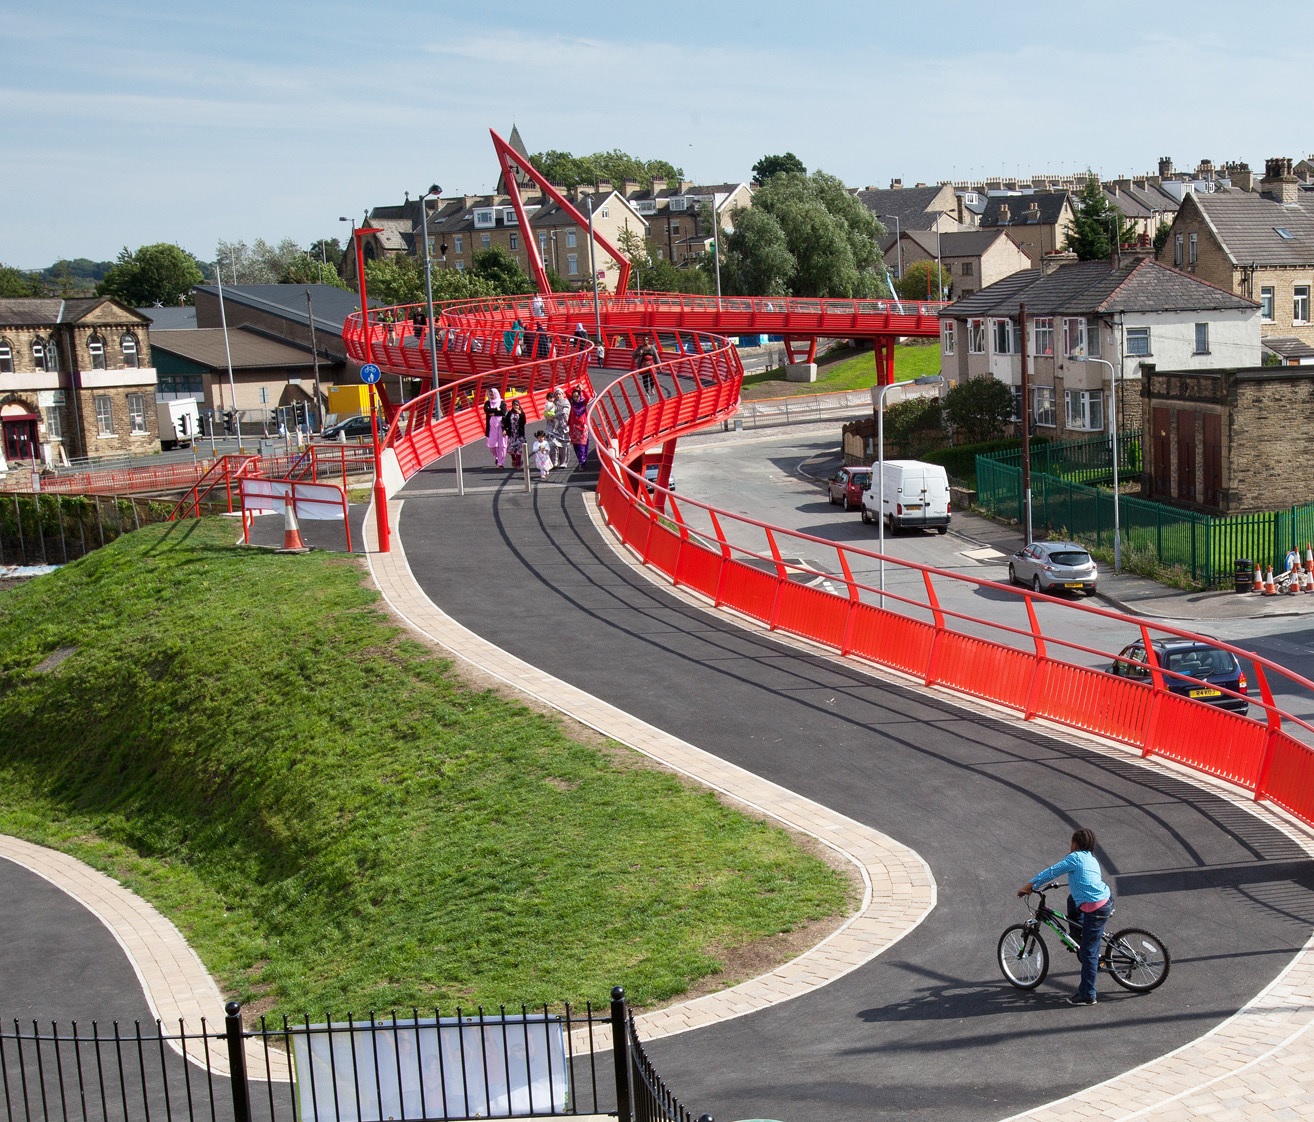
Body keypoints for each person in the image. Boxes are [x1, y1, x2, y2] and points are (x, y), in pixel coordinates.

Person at [1017, 827, 1112, 1006]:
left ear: (1075, 844)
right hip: (1105, 899)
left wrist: (1029, 886)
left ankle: (1087, 994)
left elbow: (1051, 871)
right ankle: (1077, 935)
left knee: (1089, 952)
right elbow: (1085, 879)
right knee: (1072, 900)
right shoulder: (1091, 858)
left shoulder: (1074, 858)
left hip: (1095, 908)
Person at [567, 384, 591, 467]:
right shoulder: (572, 402)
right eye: (574, 397)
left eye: (577, 396)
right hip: (573, 428)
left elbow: (588, 397)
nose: (575, 398)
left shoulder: (583, 402)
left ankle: (582, 462)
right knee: (576, 446)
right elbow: (567, 392)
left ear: (580, 396)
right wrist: (574, 387)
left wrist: (582, 389)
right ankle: (581, 459)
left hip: (582, 427)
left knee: (582, 445)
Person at [546, 387, 570, 468]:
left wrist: (555, 415)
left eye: (559, 394)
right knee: (553, 444)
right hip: (553, 427)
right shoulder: (552, 403)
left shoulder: (566, 402)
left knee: (563, 445)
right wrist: (548, 416)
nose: (558, 396)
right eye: (556, 394)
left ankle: (563, 462)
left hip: (563, 426)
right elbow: (546, 411)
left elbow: (564, 412)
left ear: (562, 394)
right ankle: (554, 462)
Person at [483, 387, 507, 467]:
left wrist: (494, 413)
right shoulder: (487, 403)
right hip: (491, 428)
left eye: (492, 394)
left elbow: (503, 412)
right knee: (492, 445)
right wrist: (497, 410)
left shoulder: (502, 402)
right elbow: (487, 410)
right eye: (490, 394)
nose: (491, 396)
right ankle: (496, 457)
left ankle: (501, 462)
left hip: (501, 426)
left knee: (502, 445)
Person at [502, 396, 527, 468]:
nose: (515, 406)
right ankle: (513, 459)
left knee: (519, 449)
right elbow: (506, 422)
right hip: (512, 433)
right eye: (514, 405)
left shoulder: (521, 412)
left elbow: (524, 422)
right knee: (512, 449)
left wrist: (521, 414)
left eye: (517, 405)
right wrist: (505, 430)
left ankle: (518, 464)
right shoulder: (510, 413)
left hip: (519, 434)